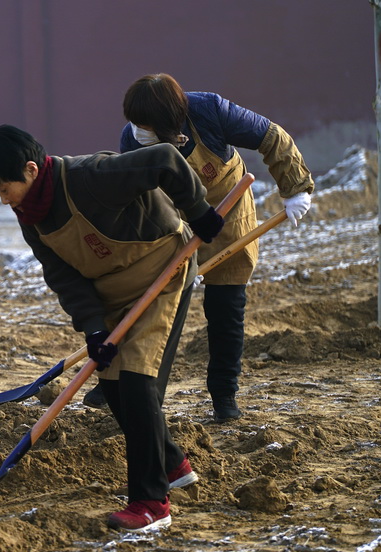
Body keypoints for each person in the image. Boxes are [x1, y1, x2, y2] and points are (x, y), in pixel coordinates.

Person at [0, 124, 222, 532]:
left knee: (138, 381)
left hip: (162, 272)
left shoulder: (91, 176)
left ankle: (151, 503)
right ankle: (171, 462)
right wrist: (92, 329)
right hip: (111, 294)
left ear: (31, 170)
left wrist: (199, 212)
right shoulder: (30, 216)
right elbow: (63, 275)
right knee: (112, 385)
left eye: (4, 188)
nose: (3, 200)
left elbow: (164, 160)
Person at [82, 73, 315, 422]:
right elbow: (136, 206)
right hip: (173, 219)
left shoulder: (210, 110)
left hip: (228, 212)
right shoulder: (133, 141)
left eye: (146, 125)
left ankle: (224, 395)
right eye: (135, 123)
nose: (138, 131)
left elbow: (272, 136)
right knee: (149, 303)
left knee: (226, 309)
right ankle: (119, 380)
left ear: (170, 124)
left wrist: (295, 188)